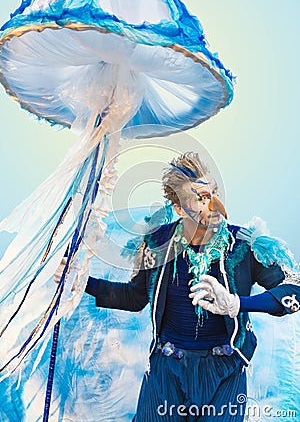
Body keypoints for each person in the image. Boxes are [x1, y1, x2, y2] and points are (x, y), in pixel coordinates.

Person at [55, 151, 300, 421]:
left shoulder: (242, 245)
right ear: (180, 209)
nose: (214, 203)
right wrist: (82, 282)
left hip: (225, 375)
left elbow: (293, 288)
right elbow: (134, 298)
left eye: (214, 192)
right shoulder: (156, 243)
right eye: (200, 198)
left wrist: (236, 304)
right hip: (166, 373)